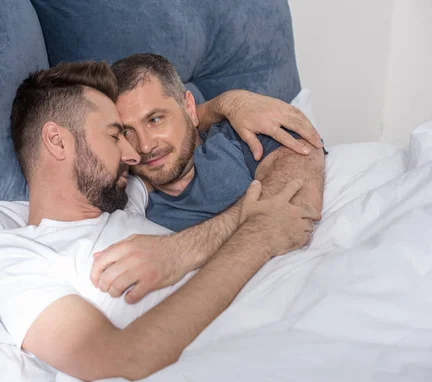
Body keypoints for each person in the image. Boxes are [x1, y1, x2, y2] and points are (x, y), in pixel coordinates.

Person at [0, 60, 318, 382]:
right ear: (58, 141)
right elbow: (121, 360)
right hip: (253, 356)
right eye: (116, 135)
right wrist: (256, 237)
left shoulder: (123, 196)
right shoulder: (18, 257)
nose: (134, 155)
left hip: (292, 308)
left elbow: (176, 128)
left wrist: (232, 101)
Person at [90, 53, 326, 304]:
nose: (145, 146)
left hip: (311, 285)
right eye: (127, 132)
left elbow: (297, 201)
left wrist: (179, 251)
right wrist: (257, 219)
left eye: (155, 119)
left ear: (189, 108)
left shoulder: (238, 134)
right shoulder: (124, 194)